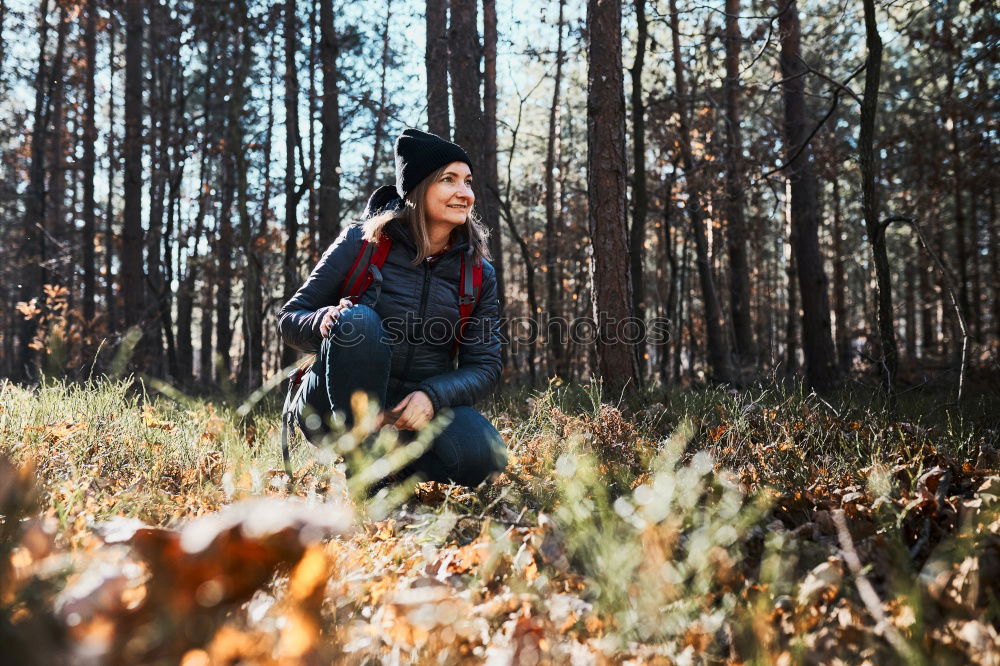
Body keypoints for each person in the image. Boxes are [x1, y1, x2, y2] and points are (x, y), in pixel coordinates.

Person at [278, 128, 507, 489]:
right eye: (449, 180)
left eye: (467, 181)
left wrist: (433, 396)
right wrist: (323, 319)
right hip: (330, 407)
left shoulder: (478, 272)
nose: (465, 193)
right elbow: (290, 318)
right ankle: (362, 468)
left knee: (487, 457)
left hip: (412, 413)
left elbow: (486, 366)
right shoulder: (362, 242)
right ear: (417, 189)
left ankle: (393, 469)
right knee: (357, 321)